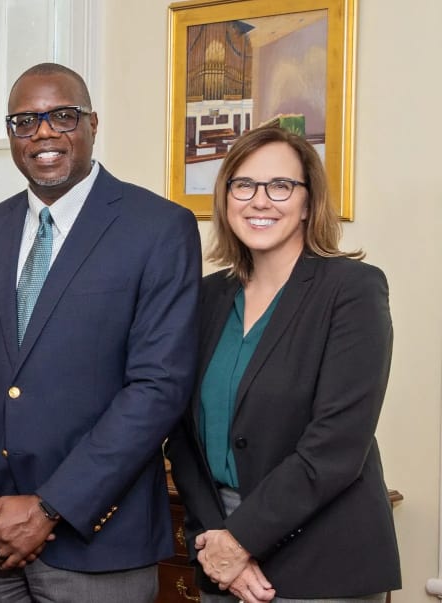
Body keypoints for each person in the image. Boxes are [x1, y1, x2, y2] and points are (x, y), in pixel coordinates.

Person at [0, 62, 201, 602]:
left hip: (98, 546)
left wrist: (50, 507)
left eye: (62, 116)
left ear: (93, 123)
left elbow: (157, 389)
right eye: (25, 121)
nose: (44, 133)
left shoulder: (158, 228)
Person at [165, 126, 400, 603]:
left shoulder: (352, 291)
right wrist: (214, 543)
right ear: (226, 198)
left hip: (322, 558)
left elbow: (336, 446)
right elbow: (183, 438)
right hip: (220, 554)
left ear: (309, 202)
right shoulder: (206, 298)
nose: (260, 201)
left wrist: (242, 539)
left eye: (281, 186)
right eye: (243, 185)